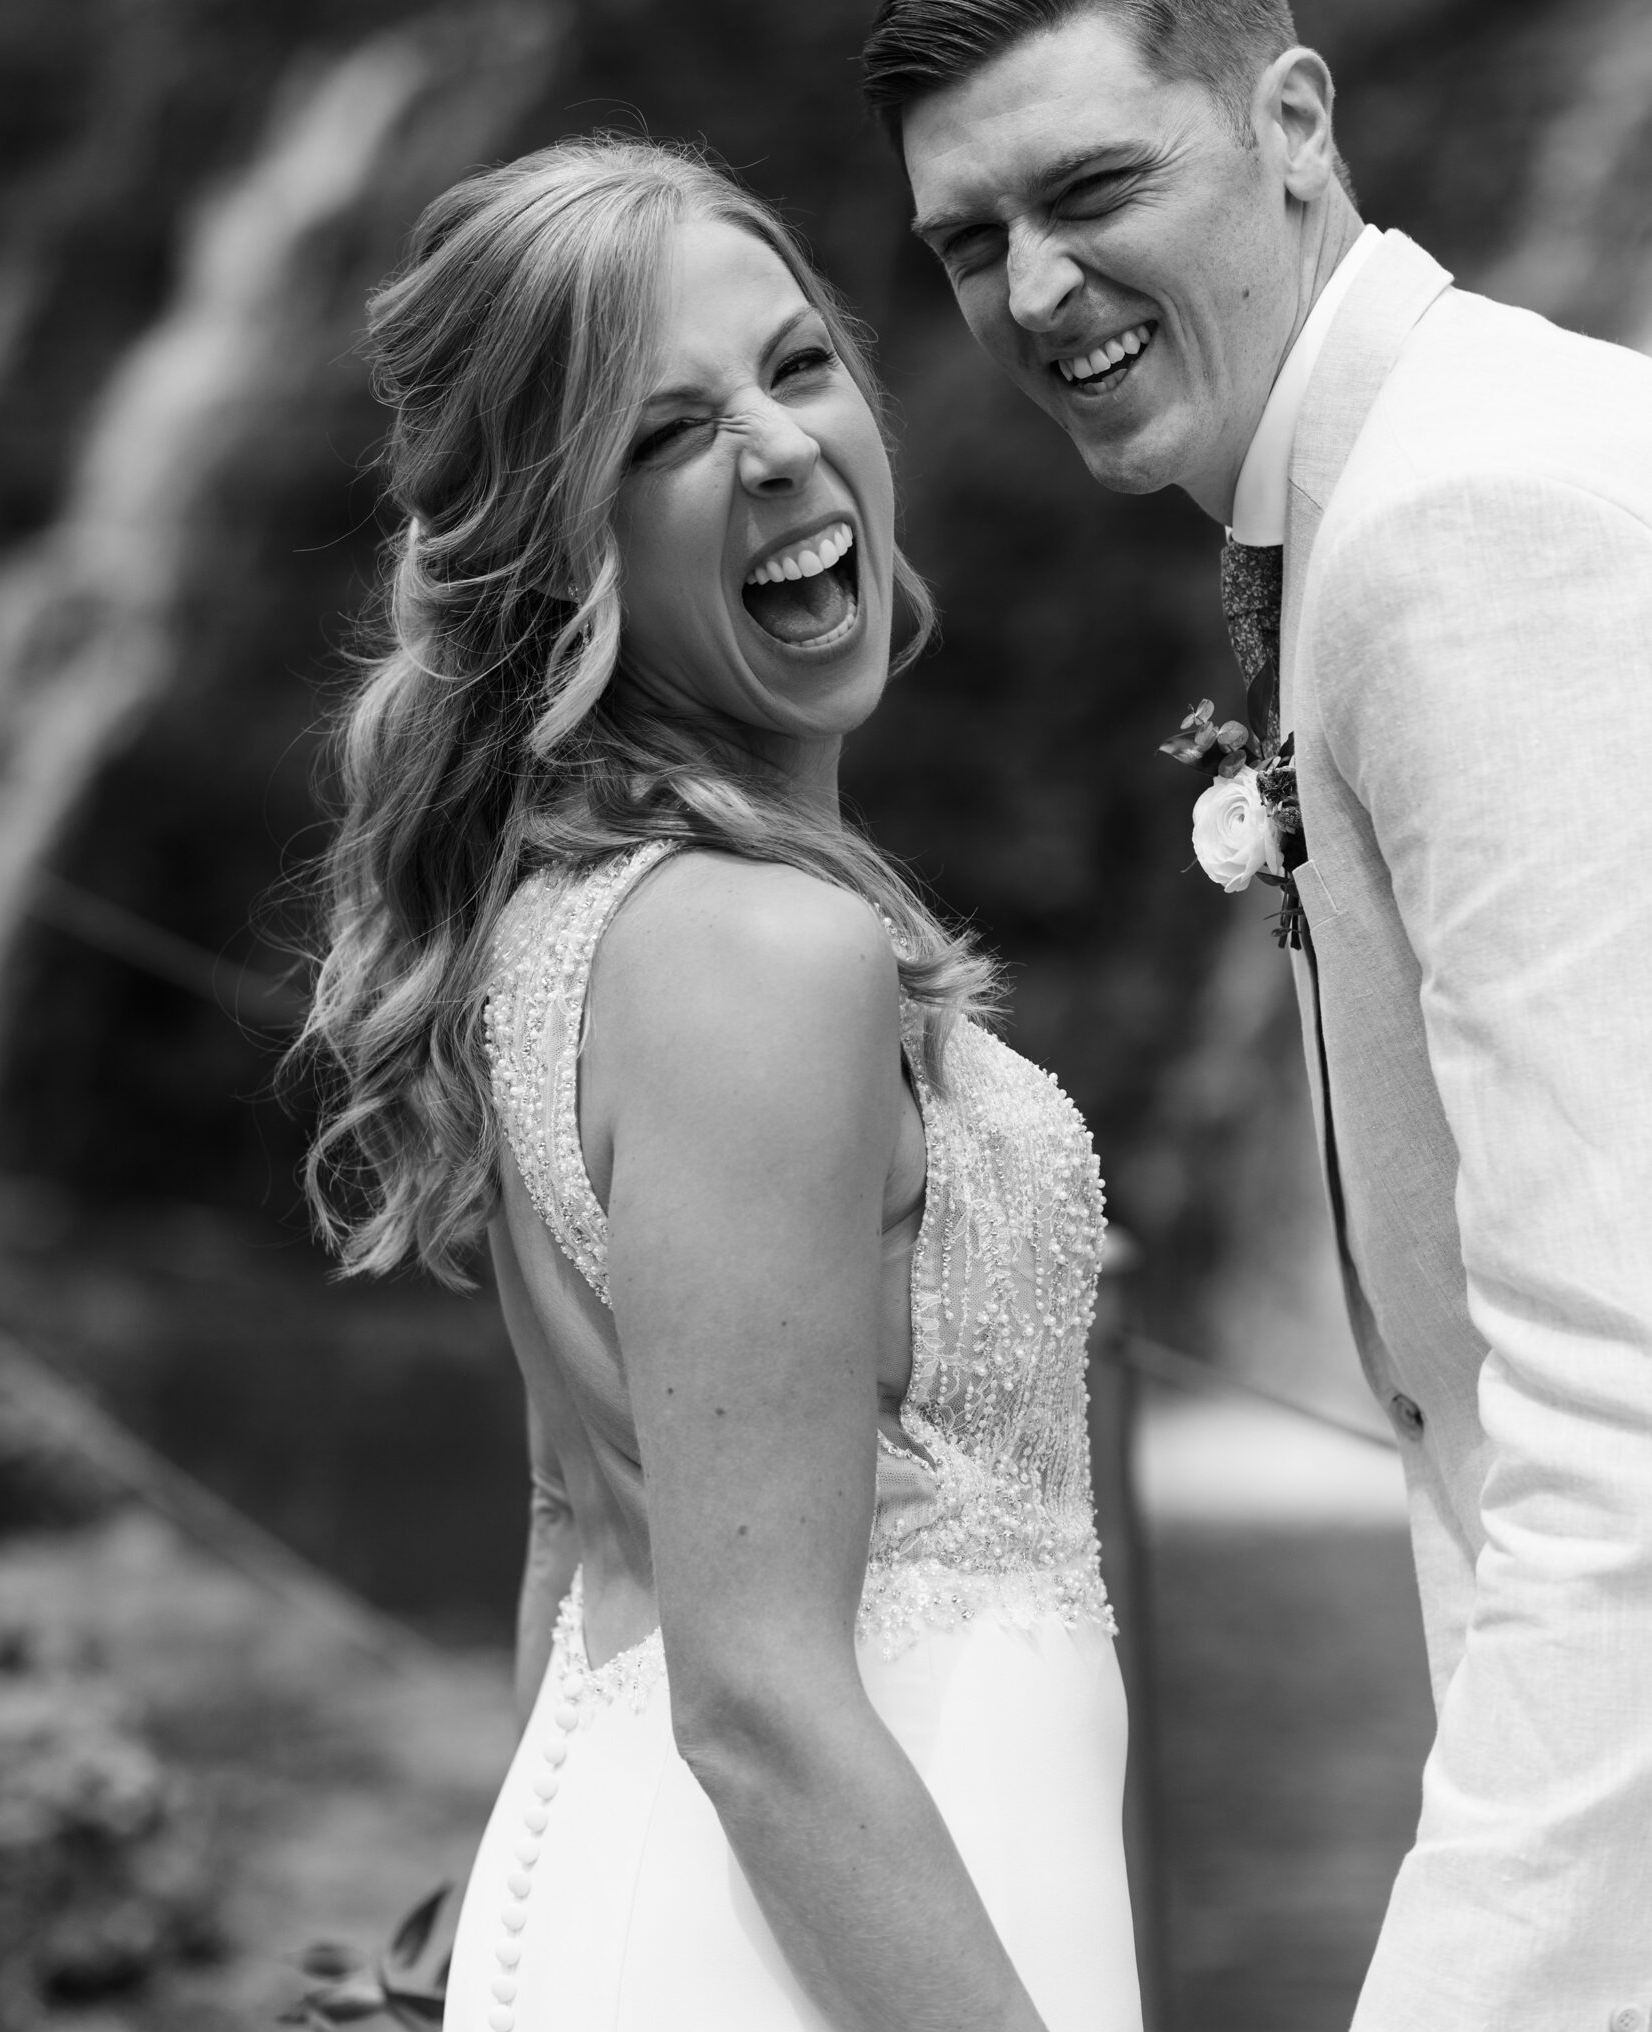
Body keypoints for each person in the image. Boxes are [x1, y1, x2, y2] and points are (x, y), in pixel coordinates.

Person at [862, 0, 1652, 2030]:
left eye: (1089, 182)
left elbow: (1624, 1421)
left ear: (1290, 119)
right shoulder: (1465, 450)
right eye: (964, 241)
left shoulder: (1460, 529)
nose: (1030, 290)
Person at [298, 136, 1144, 2032]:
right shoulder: (764, 958)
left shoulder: (578, 921)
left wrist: (493, 1955)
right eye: (664, 434)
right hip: (811, 1952)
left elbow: (567, 1530)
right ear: (554, 539)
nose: (774, 447)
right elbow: (754, 1702)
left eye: (798, 365)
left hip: (696, 1913)